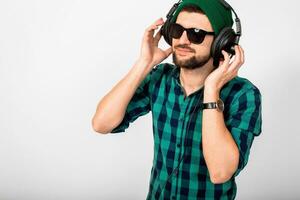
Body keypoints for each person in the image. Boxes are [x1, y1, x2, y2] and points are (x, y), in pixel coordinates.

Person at [92, 0, 262, 199]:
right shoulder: (160, 78)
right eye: (176, 30)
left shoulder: (244, 94)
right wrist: (144, 64)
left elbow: (220, 172)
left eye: (196, 33)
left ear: (221, 43)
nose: (182, 40)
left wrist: (211, 91)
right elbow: (101, 124)